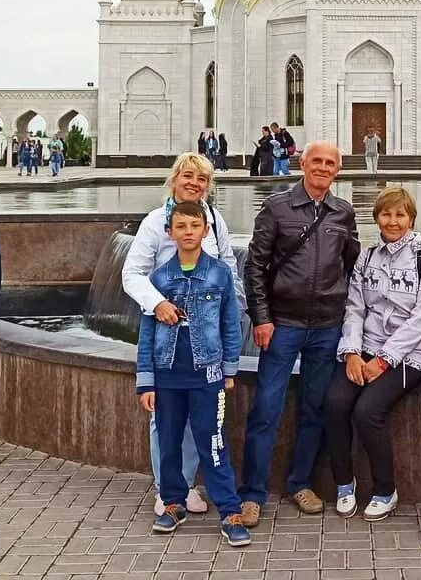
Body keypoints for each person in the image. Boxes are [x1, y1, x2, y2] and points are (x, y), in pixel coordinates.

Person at [240, 142, 360, 527]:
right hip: (284, 325)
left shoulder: (343, 212)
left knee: (315, 409)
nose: (323, 168)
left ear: (337, 170)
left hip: (327, 326)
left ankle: (300, 482)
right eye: (317, 161)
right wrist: (261, 317)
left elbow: (352, 267)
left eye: (330, 163)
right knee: (266, 409)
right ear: (302, 164)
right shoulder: (277, 208)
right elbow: (255, 267)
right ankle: (253, 493)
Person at [123, 153, 245, 519]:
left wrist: (234, 310)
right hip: (167, 335)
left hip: (205, 342)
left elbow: (227, 267)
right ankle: (167, 489)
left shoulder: (213, 220)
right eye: (188, 176)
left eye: (202, 179)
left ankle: (186, 484)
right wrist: (157, 303)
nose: (194, 183)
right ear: (175, 178)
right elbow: (132, 274)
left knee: (199, 421)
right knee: (166, 420)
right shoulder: (152, 223)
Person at [136, 201, 251, 547]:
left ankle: (230, 511)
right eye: (181, 226)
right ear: (169, 233)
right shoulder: (158, 279)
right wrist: (146, 381)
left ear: (205, 230)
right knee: (169, 443)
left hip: (207, 376)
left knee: (213, 443)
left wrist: (229, 368)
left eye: (194, 226)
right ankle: (173, 503)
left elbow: (231, 322)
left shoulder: (220, 274)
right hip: (168, 376)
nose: (188, 232)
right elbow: (146, 333)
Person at [326, 186, 421, 522]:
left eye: (400, 214)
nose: (393, 221)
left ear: (411, 219)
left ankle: (385, 490)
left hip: (411, 352)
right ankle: (344, 483)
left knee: (367, 411)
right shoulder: (368, 257)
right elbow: (355, 307)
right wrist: (351, 352)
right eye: (386, 214)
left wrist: (385, 359)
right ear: (376, 217)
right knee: (335, 403)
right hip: (366, 346)